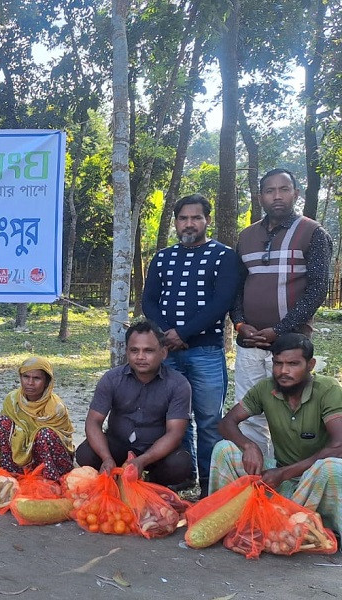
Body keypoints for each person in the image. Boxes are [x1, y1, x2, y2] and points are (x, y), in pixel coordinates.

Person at [231, 168, 333, 458]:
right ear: (260, 196)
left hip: (291, 344)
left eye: (284, 189)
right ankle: (256, 483)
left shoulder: (313, 233)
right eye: (270, 190)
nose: (277, 196)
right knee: (250, 413)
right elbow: (237, 287)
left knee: (293, 412)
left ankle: (289, 479)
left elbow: (316, 289)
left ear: (295, 193)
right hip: (250, 342)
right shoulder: (247, 236)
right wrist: (240, 324)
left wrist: (281, 329)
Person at [142, 194, 239, 494]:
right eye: (183, 218)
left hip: (206, 352)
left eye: (196, 217)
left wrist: (183, 333)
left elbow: (221, 302)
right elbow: (149, 301)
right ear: (175, 222)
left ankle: (211, 487)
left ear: (207, 220)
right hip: (168, 353)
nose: (189, 223)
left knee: (210, 420)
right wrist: (167, 332)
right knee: (176, 419)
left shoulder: (224, 256)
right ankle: (183, 478)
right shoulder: (162, 258)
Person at [213, 334, 341, 534]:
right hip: (280, 482)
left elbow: (339, 446)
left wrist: (284, 473)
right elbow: (226, 422)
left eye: (293, 364)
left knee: (331, 467)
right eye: (278, 363)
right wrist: (249, 446)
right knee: (224, 450)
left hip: (315, 482)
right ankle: (227, 523)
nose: (283, 371)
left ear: (311, 364)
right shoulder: (266, 388)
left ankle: (327, 530)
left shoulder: (328, 389)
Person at [75, 321, 194, 487]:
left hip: (154, 451)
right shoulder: (111, 379)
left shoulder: (178, 384)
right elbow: (93, 422)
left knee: (180, 464)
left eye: (148, 351)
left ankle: (151, 486)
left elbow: (175, 433)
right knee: (85, 453)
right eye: (134, 350)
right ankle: (113, 479)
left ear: (163, 353)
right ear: (127, 352)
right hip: (117, 446)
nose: (140, 357)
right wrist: (107, 458)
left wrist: (142, 460)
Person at [0, 356, 74, 481]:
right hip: (19, 457)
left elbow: (64, 442)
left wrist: (36, 438)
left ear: (47, 382)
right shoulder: (12, 399)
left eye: (36, 378)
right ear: (20, 378)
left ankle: (49, 478)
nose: (30, 383)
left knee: (45, 434)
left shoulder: (56, 408)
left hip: (49, 460)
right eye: (26, 377)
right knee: (1, 422)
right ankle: (13, 472)